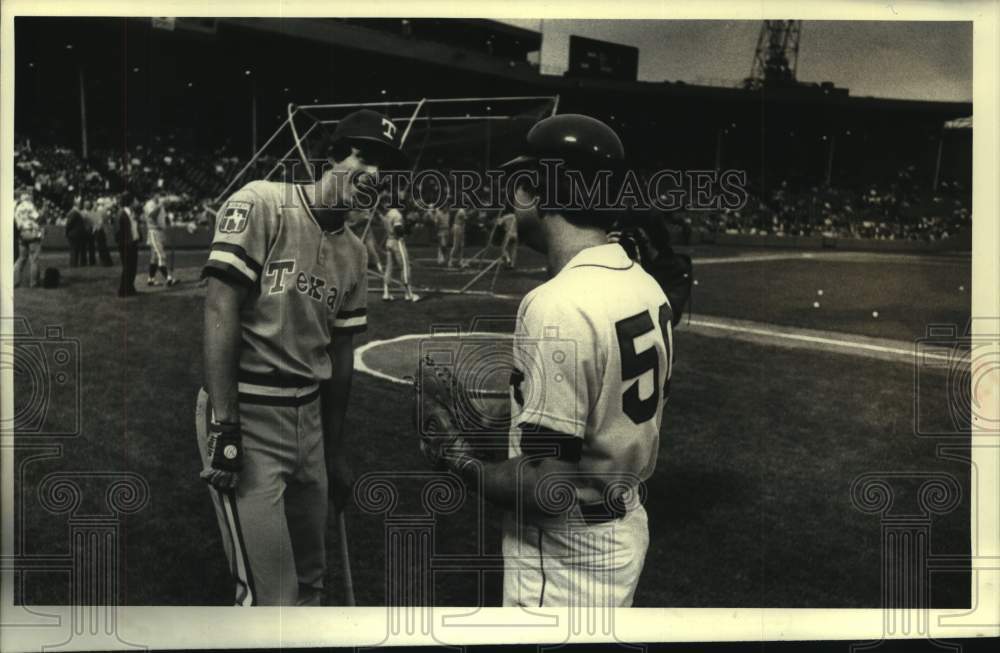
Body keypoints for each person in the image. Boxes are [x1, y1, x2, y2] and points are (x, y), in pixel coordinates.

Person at [431, 114, 673, 608]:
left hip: (565, 557)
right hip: (620, 530)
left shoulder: (558, 303)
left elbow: (546, 486)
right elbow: (591, 405)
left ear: (533, 192)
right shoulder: (644, 283)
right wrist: (476, 411)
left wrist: (453, 456)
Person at [196, 109, 408, 606]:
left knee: (312, 584)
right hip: (249, 411)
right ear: (331, 156)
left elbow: (340, 353)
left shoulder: (355, 252)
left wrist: (333, 451)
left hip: (308, 420)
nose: (375, 175)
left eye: (384, 167)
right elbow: (220, 305)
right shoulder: (263, 202)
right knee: (272, 596)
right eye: (365, 157)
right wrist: (225, 426)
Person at [380, 191, 420, 302]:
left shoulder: (387, 214)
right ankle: (409, 294)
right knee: (405, 267)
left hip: (389, 242)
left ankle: (386, 293)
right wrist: (410, 224)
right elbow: (399, 231)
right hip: (397, 242)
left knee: (389, 267)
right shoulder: (396, 214)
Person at [144, 192, 176, 286]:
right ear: (154, 195)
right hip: (154, 231)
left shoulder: (159, 205)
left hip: (160, 232)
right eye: (160, 195)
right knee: (161, 255)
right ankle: (168, 278)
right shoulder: (149, 204)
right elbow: (152, 216)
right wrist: (160, 205)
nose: (162, 197)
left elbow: (162, 218)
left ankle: (151, 279)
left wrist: (170, 220)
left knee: (154, 258)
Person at [13, 193, 45, 288]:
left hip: (22, 233)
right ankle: (33, 283)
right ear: (28, 198)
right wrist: (43, 210)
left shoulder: (17, 208)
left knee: (21, 258)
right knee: (34, 259)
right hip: (32, 233)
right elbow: (38, 218)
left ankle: (14, 281)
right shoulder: (29, 206)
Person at [115, 194, 141, 297]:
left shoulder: (132, 213)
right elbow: (117, 231)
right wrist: (124, 243)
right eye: (135, 200)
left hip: (133, 242)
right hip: (126, 245)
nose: (136, 202)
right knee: (127, 267)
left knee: (132, 267)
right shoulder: (121, 214)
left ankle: (130, 288)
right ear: (130, 202)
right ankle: (123, 290)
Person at [64, 196, 89, 267]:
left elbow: (69, 224)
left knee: (75, 249)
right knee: (74, 249)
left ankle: (74, 263)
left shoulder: (74, 212)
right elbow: (69, 224)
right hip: (75, 234)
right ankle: (74, 263)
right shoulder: (74, 213)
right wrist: (67, 232)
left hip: (74, 234)